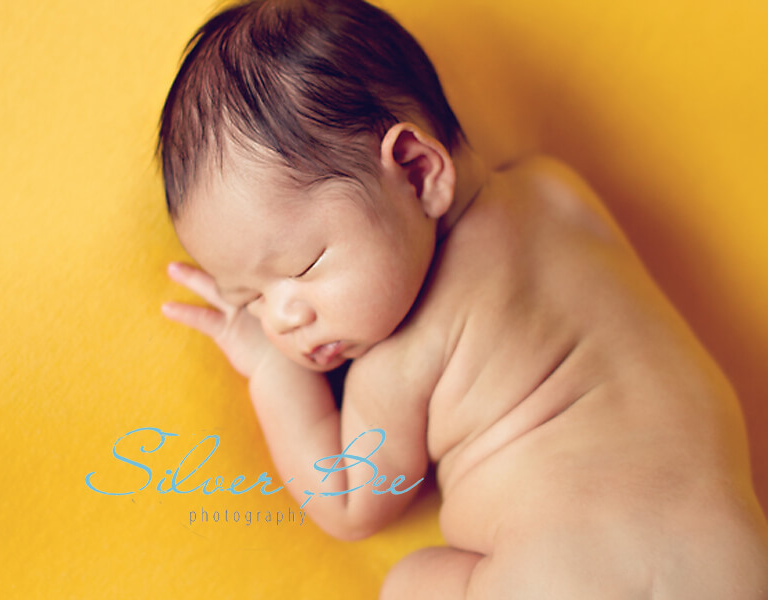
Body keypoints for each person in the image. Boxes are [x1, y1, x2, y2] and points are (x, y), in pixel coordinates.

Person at [157, 0, 768, 596]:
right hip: (738, 559)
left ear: (420, 172)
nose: (283, 318)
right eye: (251, 299)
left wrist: (270, 369)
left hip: (556, 580)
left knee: (410, 582)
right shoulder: (554, 190)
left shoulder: (400, 356)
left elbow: (345, 502)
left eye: (303, 265)